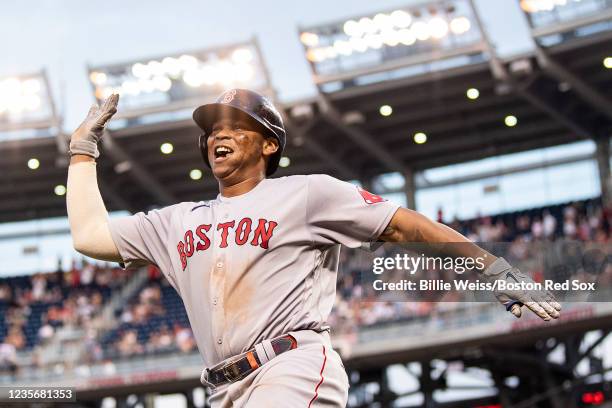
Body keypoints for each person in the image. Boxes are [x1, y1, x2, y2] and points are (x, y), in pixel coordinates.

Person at [66, 89, 561, 407]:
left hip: (291, 367)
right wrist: (82, 153)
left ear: (269, 145)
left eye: (237, 126)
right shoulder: (176, 222)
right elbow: (90, 236)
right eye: (213, 129)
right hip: (222, 388)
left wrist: (493, 268)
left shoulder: (305, 193)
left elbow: (405, 225)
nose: (219, 133)